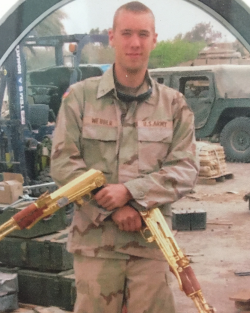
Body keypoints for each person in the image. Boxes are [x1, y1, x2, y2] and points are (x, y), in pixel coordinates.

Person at [50, 1, 199, 313]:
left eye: (143, 34)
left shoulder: (174, 105)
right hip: (96, 246)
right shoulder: (80, 98)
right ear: (112, 37)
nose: (135, 43)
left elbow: (185, 168)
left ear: (154, 39)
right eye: (127, 33)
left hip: (151, 247)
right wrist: (111, 209)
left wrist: (131, 193)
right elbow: (64, 162)